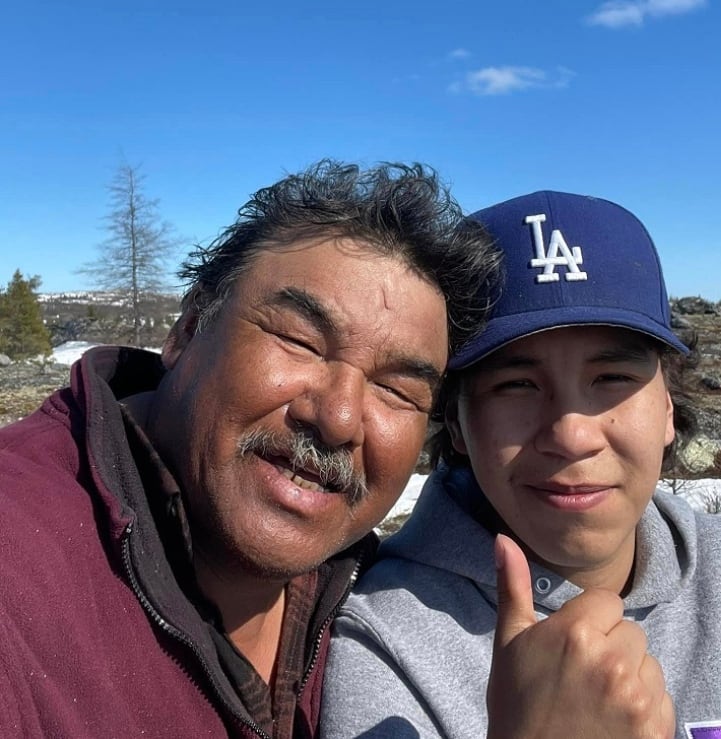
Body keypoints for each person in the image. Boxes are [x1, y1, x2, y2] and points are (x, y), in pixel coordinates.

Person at [0, 160, 504, 739]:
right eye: (299, 341)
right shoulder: (18, 565)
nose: (339, 419)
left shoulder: (378, 596)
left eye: (396, 389)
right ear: (187, 330)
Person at [321, 190, 721, 739]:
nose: (572, 435)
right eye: (517, 384)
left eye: (612, 378)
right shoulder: (383, 646)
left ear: (667, 408)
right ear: (459, 423)